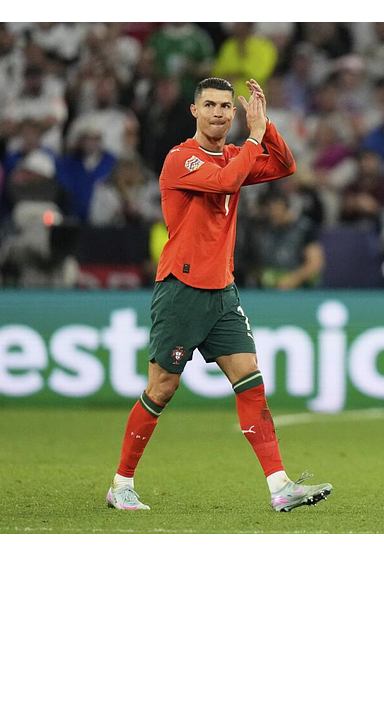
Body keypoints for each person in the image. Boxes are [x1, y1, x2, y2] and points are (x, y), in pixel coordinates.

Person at [107, 78, 333, 515]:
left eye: (226, 106)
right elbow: (228, 182)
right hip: (181, 290)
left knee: (250, 379)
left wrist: (265, 127)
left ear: (234, 113)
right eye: (209, 104)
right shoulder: (181, 159)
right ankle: (122, 484)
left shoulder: (234, 154)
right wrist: (253, 137)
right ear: (194, 111)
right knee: (162, 388)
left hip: (222, 291)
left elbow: (285, 165)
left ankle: (280, 486)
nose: (218, 113)